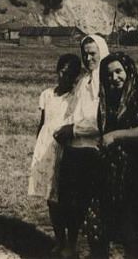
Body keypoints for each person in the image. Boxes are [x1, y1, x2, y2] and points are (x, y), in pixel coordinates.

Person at [86, 52, 138, 259]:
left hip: (137, 169)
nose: (114, 78)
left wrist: (115, 136)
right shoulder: (107, 95)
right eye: (109, 74)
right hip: (109, 168)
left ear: (129, 71)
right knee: (101, 224)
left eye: (119, 72)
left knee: (134, 226)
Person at [54, 34, 110, 259]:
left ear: (102, 53)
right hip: (73, 147)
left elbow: (101, 120)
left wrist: (74, 130)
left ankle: (96, 251)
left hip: (91, 149)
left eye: (92, 53)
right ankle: (71, 245)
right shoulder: (83, 80)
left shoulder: (105, 81)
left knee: (90, 204)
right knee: (70, 201)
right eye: (85, 54)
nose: (88, 58)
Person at [28, 53, 82, 256]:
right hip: (46, 148)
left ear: (76, 76)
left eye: (70, 74)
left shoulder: (76, 97)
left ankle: (72, 242)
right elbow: (42, 123)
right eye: (62, 71)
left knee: (68, 197)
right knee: (51, 198)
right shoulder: (47, 94)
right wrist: (38, 148)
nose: (64, 76)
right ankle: (59, 240)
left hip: (65, 148)